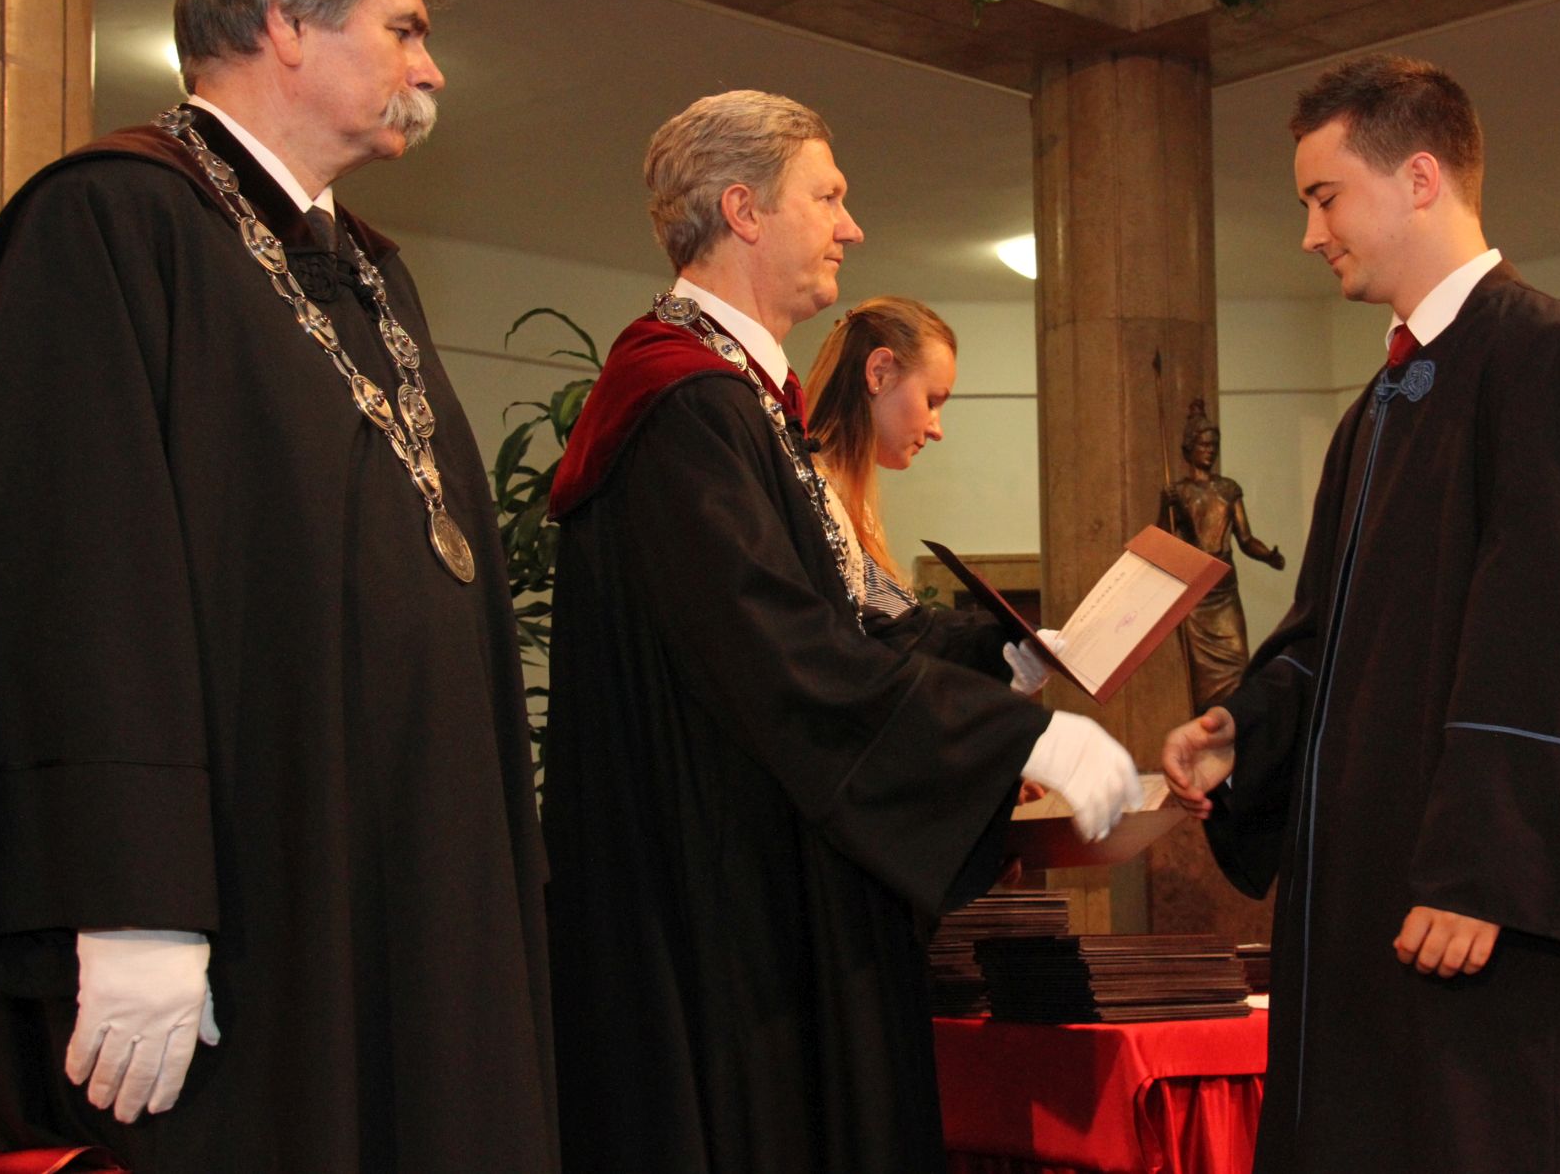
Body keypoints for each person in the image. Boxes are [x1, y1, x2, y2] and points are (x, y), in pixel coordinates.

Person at [0, 0, 556, 1170]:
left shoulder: (367, 271)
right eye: (404, 29)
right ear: (288, 22)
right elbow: (76, 580)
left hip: (401, 870)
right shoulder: (109, 221)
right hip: (246, 899)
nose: (430, 67)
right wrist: (131, 900)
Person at [543, 90, 1140, 1174]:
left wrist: (991, 655)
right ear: (743, 210)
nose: (851, 227)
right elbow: (783, 658)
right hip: (723, 921)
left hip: (764, 891)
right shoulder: (685, 403)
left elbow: (833, 631)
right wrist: (1019, 737)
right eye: (827, 197)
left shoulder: (737, 399)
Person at [1161, 54, 1560, 1173]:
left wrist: (1489, 867)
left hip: (1484, 916)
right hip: (1374, 906)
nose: (1309, 233)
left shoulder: (1553, 356)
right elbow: (1330, 635)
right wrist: (1246, 726)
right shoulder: (1379, 407)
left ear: (1417, 177)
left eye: (1323, 197)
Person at [804, 295, 1055, 694]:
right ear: (879, 373)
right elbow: (860, 659)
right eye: (932, 401)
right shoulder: (811, 495)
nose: (937, 429)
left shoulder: (851, 504)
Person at [1161, 398, 1285, 712]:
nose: (1210, 450)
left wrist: (1268, 555)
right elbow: (1162, 543)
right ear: (1189, 448)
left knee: (1239, 664)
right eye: (1204, 445)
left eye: (1214, 445)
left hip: (1224, 587)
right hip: (1196, 592)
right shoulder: (1179, 492)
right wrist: (1166, 506)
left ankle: (1234, 726)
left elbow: (1245, 539)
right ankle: (1205, 727)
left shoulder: (1229, 489)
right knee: (1201, 683)